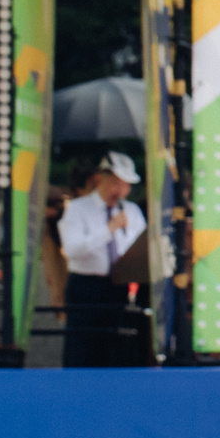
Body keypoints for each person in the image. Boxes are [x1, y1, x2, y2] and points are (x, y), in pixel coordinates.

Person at [59, 152, 146, 365]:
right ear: (101, 179)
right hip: (87, 286)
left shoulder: (131, 210)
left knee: (118, 349)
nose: (120, 191)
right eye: (116, 183)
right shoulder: (78, 210)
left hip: (120, 286)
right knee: (84, 349)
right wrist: (108, 229)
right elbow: (72, 249)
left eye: (126, 186)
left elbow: (142, 246)